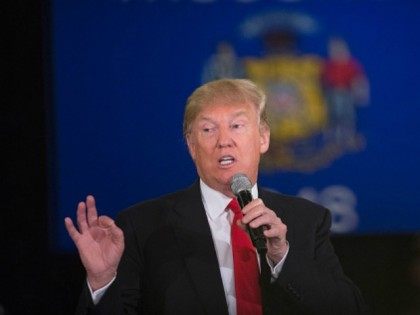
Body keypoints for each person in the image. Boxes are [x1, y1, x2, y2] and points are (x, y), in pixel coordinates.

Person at [65, 79, 368, 314]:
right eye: (208, 129)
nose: (224, 141)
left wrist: (282, 256)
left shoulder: (306, 220)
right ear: (191, 146)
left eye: (237, 125)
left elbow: (349, 309)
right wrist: (102, 282)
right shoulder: (142, 227)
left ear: (263, 138)